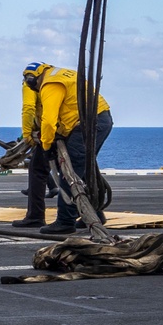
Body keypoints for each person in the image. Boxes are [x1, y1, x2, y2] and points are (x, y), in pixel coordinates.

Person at [21, 62, 113, 235]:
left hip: (87, 124)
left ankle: (65, 221)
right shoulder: (62, 74)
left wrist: (47, 146)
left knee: (69, 172)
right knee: (85, 170)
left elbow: (48, 120)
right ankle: (95, 213)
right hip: (100, 119)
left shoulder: (50, 84)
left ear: (33, 79)